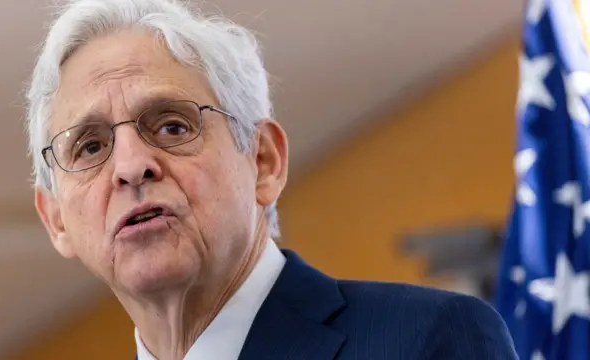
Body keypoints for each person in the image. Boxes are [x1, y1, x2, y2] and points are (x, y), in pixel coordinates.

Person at [25, 0, 518, 359]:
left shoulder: (424, 340)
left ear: (263, 161)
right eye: (90, 147)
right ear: (55, 220)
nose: (132, 166)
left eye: (173, 126)